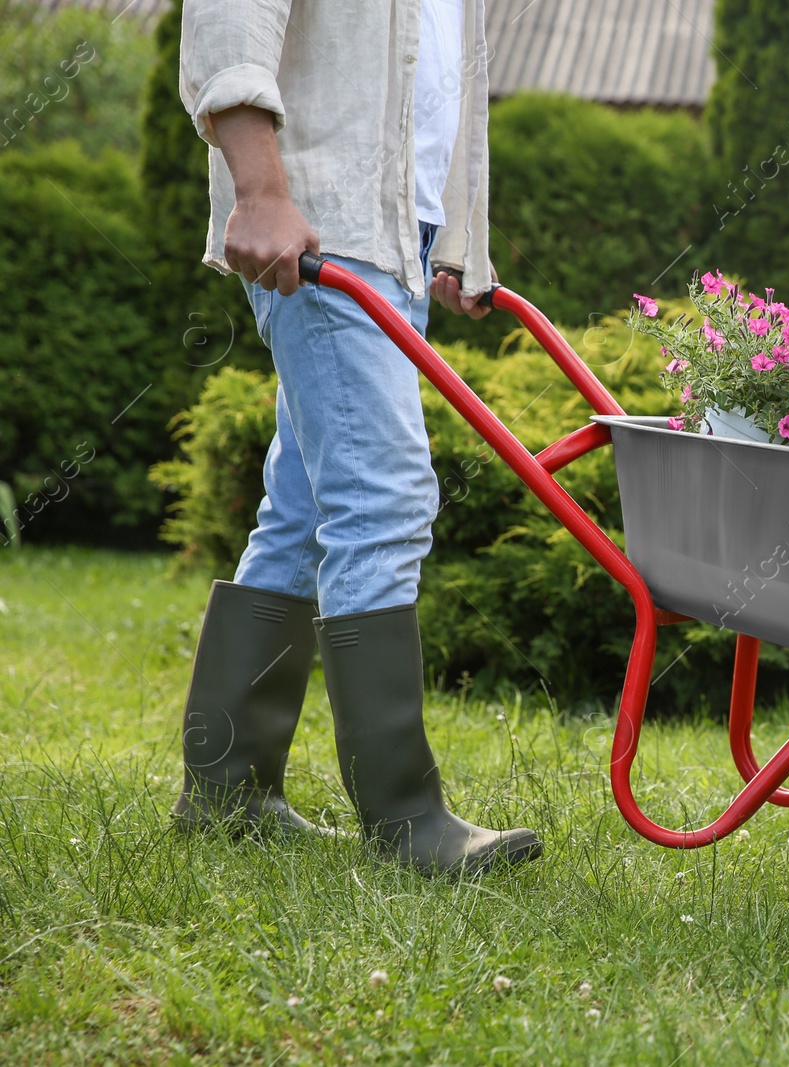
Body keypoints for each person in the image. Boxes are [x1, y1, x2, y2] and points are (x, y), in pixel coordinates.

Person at [170, 0, 541, 875]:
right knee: (384, 493)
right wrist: (260, 192)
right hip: (316, 225)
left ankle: (227, 794)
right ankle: (405, 817)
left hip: (390, 238)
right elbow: (227, 19)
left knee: (304, 508)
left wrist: (451, 243)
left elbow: (440, 75)